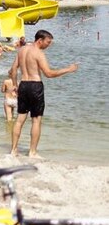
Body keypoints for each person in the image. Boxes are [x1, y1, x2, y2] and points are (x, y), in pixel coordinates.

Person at [7, 29, 78, 158]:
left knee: (19, 119)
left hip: (23, 85)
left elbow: (12, 70)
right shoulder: (39, 53)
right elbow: (49, 74)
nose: (48, 45)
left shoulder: (22, 50)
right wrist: (68, 69)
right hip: (35, 86)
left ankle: (13, 150)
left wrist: (15, 85)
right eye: (48, 42)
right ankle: (32, 152)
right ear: (40, 40)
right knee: (36, 120)